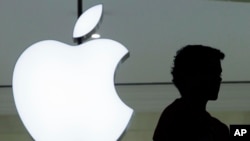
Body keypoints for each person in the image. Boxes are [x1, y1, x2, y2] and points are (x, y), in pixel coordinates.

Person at [153, 45, 229, 141]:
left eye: (218, 74)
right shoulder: (176, 118)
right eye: (212, 73)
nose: (219, 79)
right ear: (193, 76)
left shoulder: (216, 127)